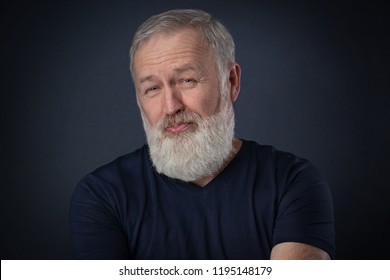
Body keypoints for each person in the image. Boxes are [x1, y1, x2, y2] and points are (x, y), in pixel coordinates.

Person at [69, 9, 335, 260]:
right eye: (152, 89)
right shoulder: (102, 195)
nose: (171, 106)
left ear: (231, 82)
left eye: (187, 80)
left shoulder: (291, 182)